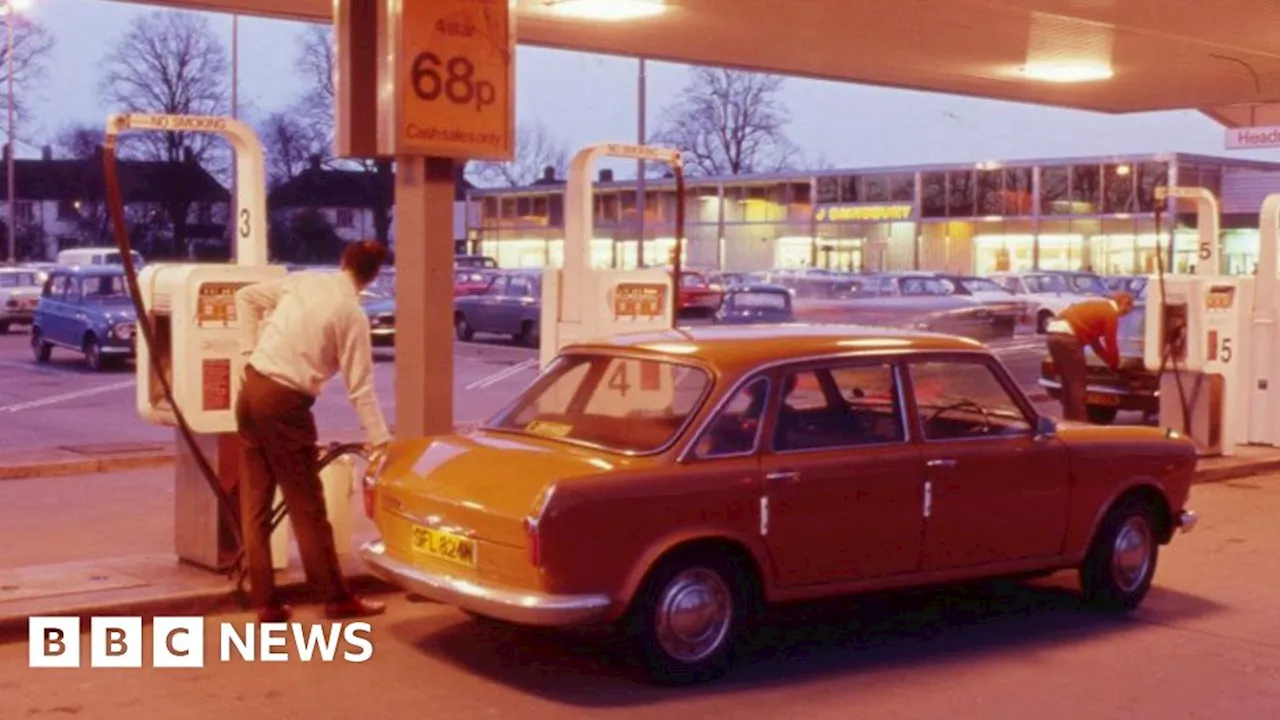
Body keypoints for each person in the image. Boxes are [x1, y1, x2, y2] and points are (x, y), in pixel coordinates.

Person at [234, 241, 392, 623]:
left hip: (251, 390)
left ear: (343, 261)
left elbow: (245, 297)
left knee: (256, 503)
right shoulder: (351, 315)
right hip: (285, 403)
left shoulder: (302, 281)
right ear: (372, 276)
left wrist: (245, 353)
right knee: (307, 505)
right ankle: (335, 599)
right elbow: (361, 388)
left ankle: (266, 603)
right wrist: (381, 439)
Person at [1045, 291, 1135, 422]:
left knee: (1067, 381)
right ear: (1124, 303)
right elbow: (1111, 343)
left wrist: (1109, 362)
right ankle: (1079, 421)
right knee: (1077, 382)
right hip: (1068, 337)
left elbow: (1095, 344)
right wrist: (1115, 364)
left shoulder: (1098, 307)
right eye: (1128, 309)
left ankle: (1068, 418)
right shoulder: (1110, 313)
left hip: (1053, 335)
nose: (1125, 314)